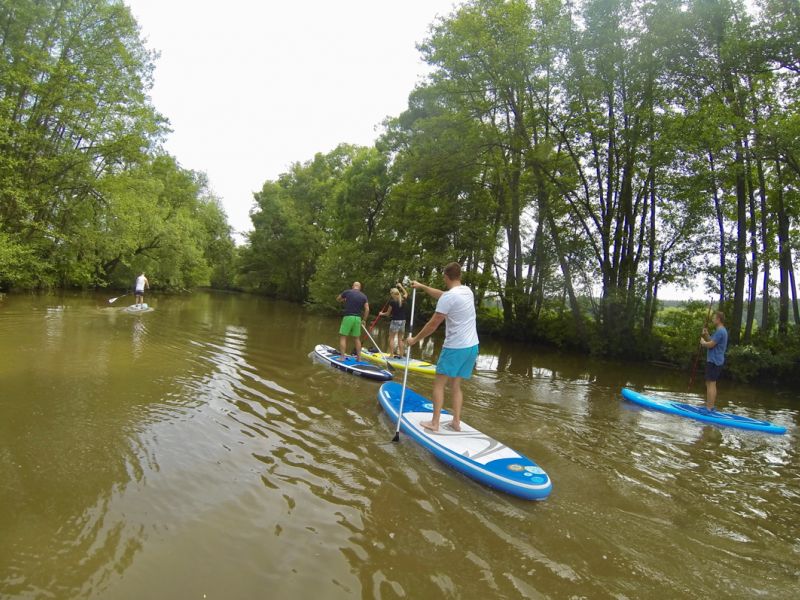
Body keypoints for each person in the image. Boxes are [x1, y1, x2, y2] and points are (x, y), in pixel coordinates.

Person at [407, 262, 479, 432]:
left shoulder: (450, 297)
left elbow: (433, 325)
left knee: (438, 385)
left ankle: (435, 423)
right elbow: (444, 296)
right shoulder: (467, 291)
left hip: (455, 348)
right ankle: (456, 422)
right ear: (459, 276)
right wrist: (423, 286)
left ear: (446, 277)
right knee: (456, 385)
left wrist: (415, 340)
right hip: (472, 347)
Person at [699, 310, 728, 411]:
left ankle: (709, 408)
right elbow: (712, 341)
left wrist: (703, 343)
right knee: (710, 383)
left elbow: (711, 345)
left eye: (714, 318)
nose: (712, 319)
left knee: (711, 383)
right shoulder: (720, 330)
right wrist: (707, 335)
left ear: (718, 319)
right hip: (716, 361)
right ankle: (710, 406)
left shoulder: (720, 331)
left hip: (714, 361)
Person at [336, 281, 369, 361]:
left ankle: (342, 357)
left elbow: (338, 299)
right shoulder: (364, 296)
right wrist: (364, 320)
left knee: (343, 337)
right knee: (357, 338)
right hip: (358, 319)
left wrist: (344, 299)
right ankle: (359, 358)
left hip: (348, 317)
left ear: (353, 286)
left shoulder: (347, 292)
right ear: (360, 288)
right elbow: (367, 309)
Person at [378, 282, 409, 357]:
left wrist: (381, 314)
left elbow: (388, 314)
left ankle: (391, 354)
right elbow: (406, 293)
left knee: (391, 338)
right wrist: (401, 286)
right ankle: (401, 355)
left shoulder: (392, 302)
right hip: (403, 321)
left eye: (391, 294)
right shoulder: (403, 299)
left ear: (393, 294)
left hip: (395, 321)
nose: (391, 295)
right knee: (400, 339)